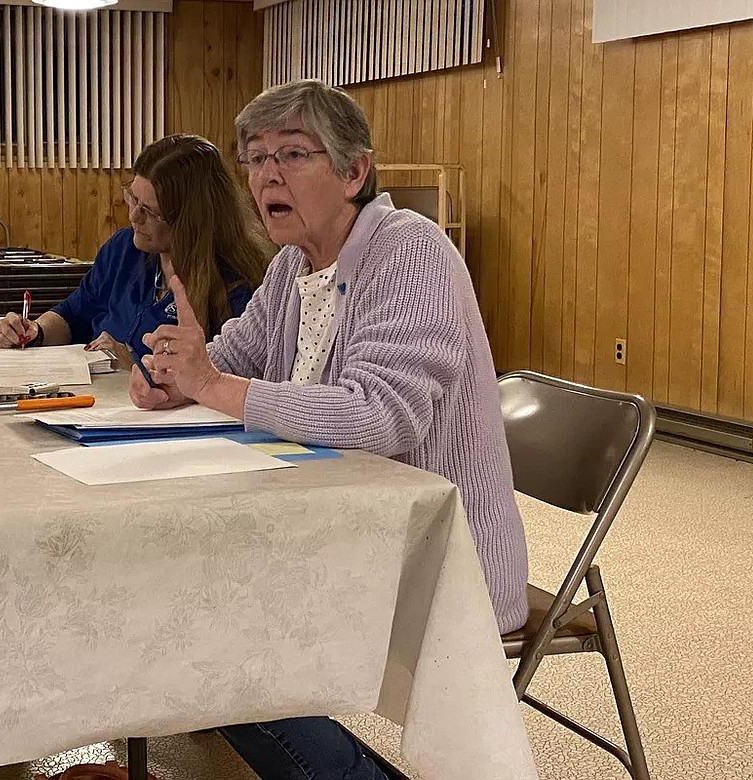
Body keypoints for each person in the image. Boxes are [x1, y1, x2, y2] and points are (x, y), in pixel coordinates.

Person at [130, 80, 530, 780]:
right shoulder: (293, 266)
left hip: (435, 562)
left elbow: (381, 414)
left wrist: (212, 386)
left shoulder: (411, 252)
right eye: (254, 158)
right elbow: (229, 359)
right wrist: (169, 375)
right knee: (180, 596)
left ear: (354, 172)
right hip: (335, 527)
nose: (265, 176)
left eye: (291, 154)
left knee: (211, 633)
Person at [0, 134, 271, 369]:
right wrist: (35, 331)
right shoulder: (124, 250)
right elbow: (74, 314)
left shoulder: (239, 287)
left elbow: (220, 379)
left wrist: (134, 365)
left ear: (192, 220)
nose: (134, 216)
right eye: (133, 199)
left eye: (151, 211)